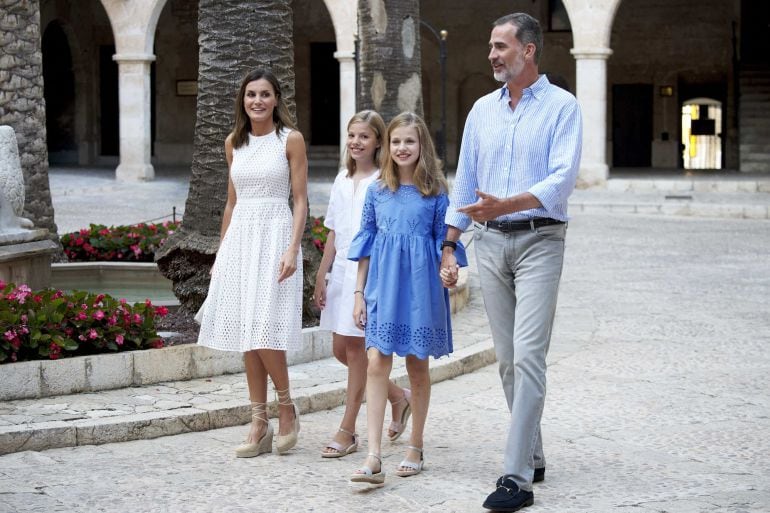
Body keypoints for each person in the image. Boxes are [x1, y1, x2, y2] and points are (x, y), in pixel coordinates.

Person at [440, 13, 582, 512]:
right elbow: (465, 178)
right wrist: (450, 244)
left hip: (541, 241)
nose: (492, 55)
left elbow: (562, 180)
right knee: (506, 361)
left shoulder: (563, 107)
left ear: (529, 50)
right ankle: (535, 453)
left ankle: (516, 476)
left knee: (528, 356)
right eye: (491, 46)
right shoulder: (482, 109)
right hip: (490, 244)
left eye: (501, 46)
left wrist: (506, 204)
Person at [348, 111, 467, 485]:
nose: (402, 148)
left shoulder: (436, 194)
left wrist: (449, 267)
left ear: (422, 146)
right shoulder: (377, 191)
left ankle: (415, 444)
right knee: (376, 365)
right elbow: (365, 245)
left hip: (420, 289)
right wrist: (358, 295)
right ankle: (373, 455)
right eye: (396, 141)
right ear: (388, 146)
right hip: (382, 286)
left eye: (410, 141)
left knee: (417, 368)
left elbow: (443, 243)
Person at [195, 69, 307, 458]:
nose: (256, 101)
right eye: (250, 95)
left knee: (263, 329)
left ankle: (287, 405)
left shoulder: (290, 140)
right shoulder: (233, 143)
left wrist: (293, 248)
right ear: (242, 101)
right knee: (247, 330)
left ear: (276, 99)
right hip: (241, 240)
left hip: (275, 236)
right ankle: (259, 421)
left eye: (264, 94)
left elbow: (300, 200)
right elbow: (231, 202)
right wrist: (220, 254)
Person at [314, 111, 413, 458]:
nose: (356, 142)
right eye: (352, 135)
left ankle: (348, 429)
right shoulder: (343, 177)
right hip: (341, 272)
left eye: (364, 136)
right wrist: (322, 275)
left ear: (377, 142)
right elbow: (333, 231)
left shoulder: (384, 184)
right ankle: (398, 396)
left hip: (369, 273)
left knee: (357, 352)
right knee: (342, 350)